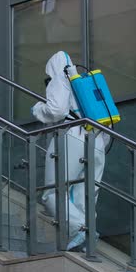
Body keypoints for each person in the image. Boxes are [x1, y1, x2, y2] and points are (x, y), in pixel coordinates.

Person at [31, 51, 110, 251]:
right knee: (85, 197)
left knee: (53, 193)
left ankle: (81, 230)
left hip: (72, 136)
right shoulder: (84, 83)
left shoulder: (61, 75)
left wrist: (38, 109)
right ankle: (84, 240)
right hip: (97, 141)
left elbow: (56, 110)